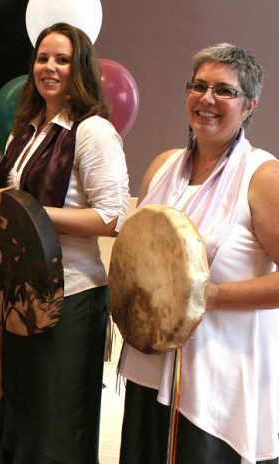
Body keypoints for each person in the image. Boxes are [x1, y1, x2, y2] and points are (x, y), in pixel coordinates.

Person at [118, 43, 279, 464]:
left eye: (224, 91)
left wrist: (213, 297)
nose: (207, 99)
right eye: (199, 86)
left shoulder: (262, 176)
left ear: (249, 106)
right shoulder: (163, 166)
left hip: (215, 383)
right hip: (150, 367)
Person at [0, 22, 130, 464]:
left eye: (62, 59)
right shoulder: (26, 128)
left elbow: (113, 216)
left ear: (79, 68)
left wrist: (35, 217)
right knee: (25, 417)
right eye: (43, 58)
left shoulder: (93, 131)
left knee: (57, 427)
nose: (49, 67)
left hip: (71, 298)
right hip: (22, 295)